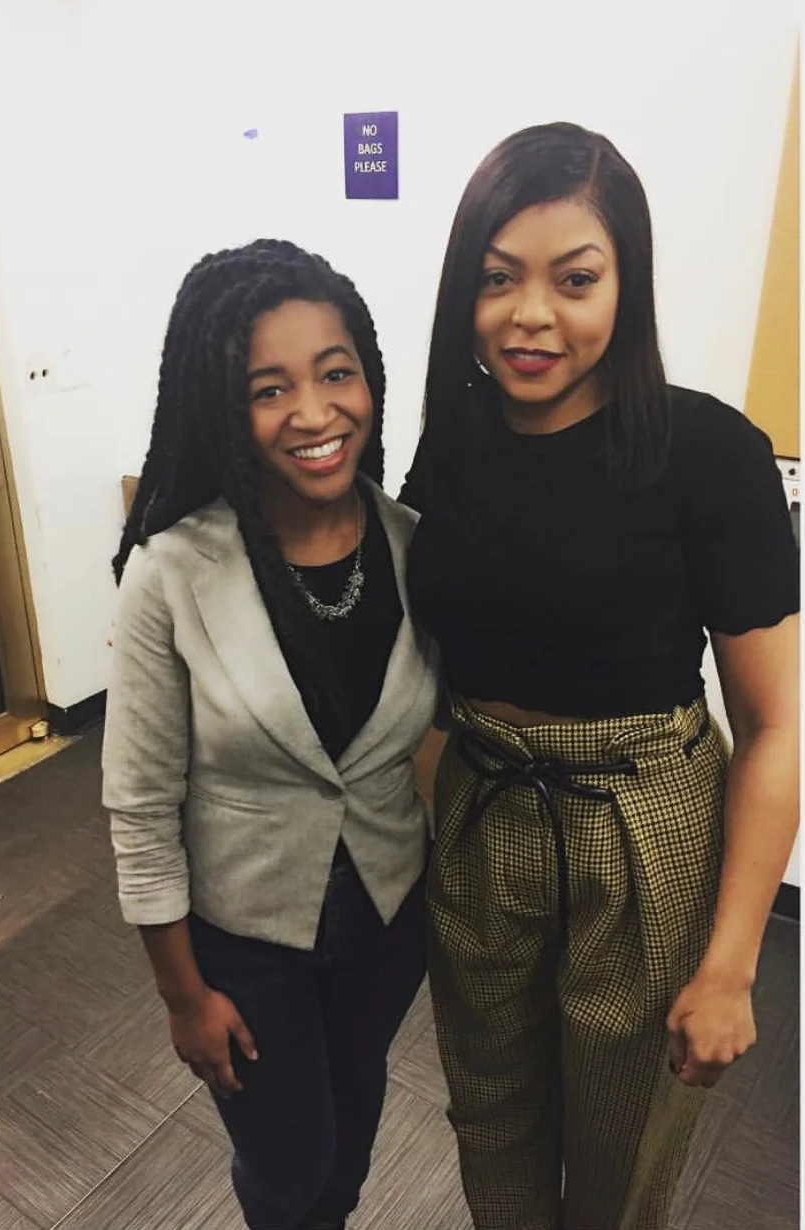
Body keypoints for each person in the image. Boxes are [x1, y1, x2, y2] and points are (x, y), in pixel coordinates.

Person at [399, 122, 800, 1230]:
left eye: (573, 279)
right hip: (481, 818)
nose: (530, 314)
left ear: (626, 283)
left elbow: (776, 725)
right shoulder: (455, 440)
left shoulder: (709, 455)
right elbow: (433, 662)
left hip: (642, 825)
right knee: (489, 1117)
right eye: (497, 279)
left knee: (621, 1145)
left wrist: (731, 968)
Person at [101, 239, 439, 1230]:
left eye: (336, 373)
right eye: (269, 389)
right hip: (244, 947)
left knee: (351, 1132)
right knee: (288, 1168)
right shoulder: (171, 571)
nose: (314, 412)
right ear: (224, 410)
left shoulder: (415, 547)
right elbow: (139, 807)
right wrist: (181, 997)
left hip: (386, 921)